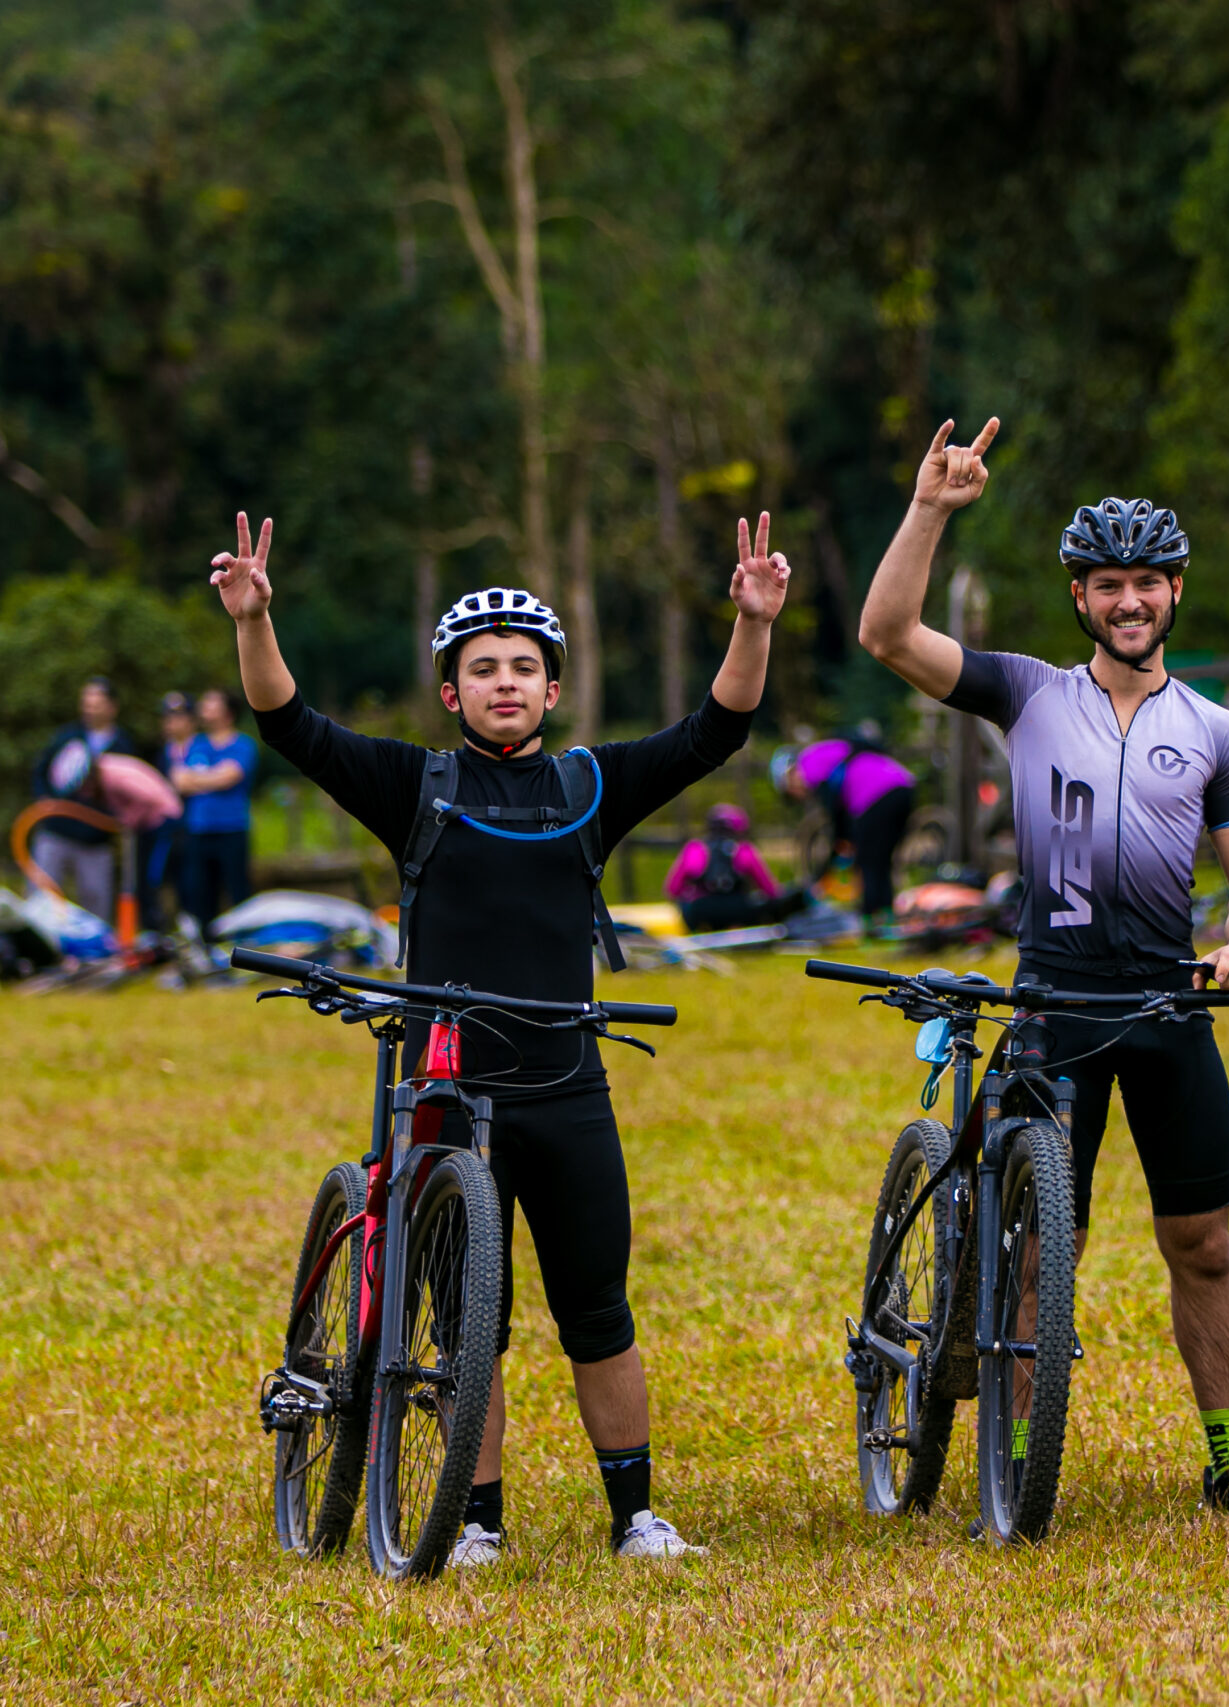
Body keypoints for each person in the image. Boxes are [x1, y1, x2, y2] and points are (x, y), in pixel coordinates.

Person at [208, 508, 793, 1563]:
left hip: (567, 1088)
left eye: (525, 667)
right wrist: (255, 622)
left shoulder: (587, 788)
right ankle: (475, 1520)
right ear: (452, 690)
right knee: (470, 1327)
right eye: (484, 669)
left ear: (553, 689)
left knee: (598, 1312)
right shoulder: (413, 786)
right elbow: (289, 724)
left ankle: (636, 1518)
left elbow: (716, 731)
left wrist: (751, 623)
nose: (506, 684)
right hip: (446, 1092)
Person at [856, 417, 1229, 1516]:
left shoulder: (1216, 731)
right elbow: (887, 633)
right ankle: (1011, 1466)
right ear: (1080, 598)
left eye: (1147, 584)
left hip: (1168, 1008)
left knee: (1202, 1243)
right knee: (1032, 1254)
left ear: (1177, 592)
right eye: (1108, 585)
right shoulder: (1025, 694)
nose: (1129, 603)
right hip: (1054, 1006)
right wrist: (930, 508)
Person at [776, 723, 916, 929]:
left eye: (791, 792)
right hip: (903, 785)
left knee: (867, 860)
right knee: (881, 860)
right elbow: (841, 821)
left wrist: (824, 872)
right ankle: (886, 917)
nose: (800, 796)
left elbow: (836, 816)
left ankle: (871, 919)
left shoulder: (808, 763)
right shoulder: (824, 753)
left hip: (875, 793)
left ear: (789, 776)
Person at [30, 677, 138, 923]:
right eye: (86, 702)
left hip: (95, 839)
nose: (90, 708)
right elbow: (40, 769)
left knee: (95, 901)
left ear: (112, 707)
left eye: (96, 703)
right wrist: (44, 799)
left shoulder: (122, 744)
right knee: (41, 897)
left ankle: (94, 954)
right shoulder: (67, 736)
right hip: (56, 830)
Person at [174, 688, 257, 941]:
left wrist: (197, 779)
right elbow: (179, 781)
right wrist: (214, 777)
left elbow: (230, 777)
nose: (204, 706)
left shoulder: (243, 744)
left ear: (228, 712)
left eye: (211, 701)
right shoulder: (195, 743)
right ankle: (207, 946)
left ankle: (244, 945)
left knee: (237, 890)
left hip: (232, 828)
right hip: (199, 830)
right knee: (200, 892)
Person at [664, 802, 795, 932]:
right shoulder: (745, 850)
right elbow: (770, 891)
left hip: (701, 912)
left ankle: (704, 929)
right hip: (740, 911)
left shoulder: (694, 849)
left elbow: (672, 889)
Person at [146, 691, 197, 934]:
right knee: (160, 881)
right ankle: (167, 931)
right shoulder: (162, 752)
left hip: (194, 828)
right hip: (166, 831)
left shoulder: (201, 747)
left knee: (193, 886)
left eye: (178, 717)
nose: (171, 723)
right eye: (167, 718)